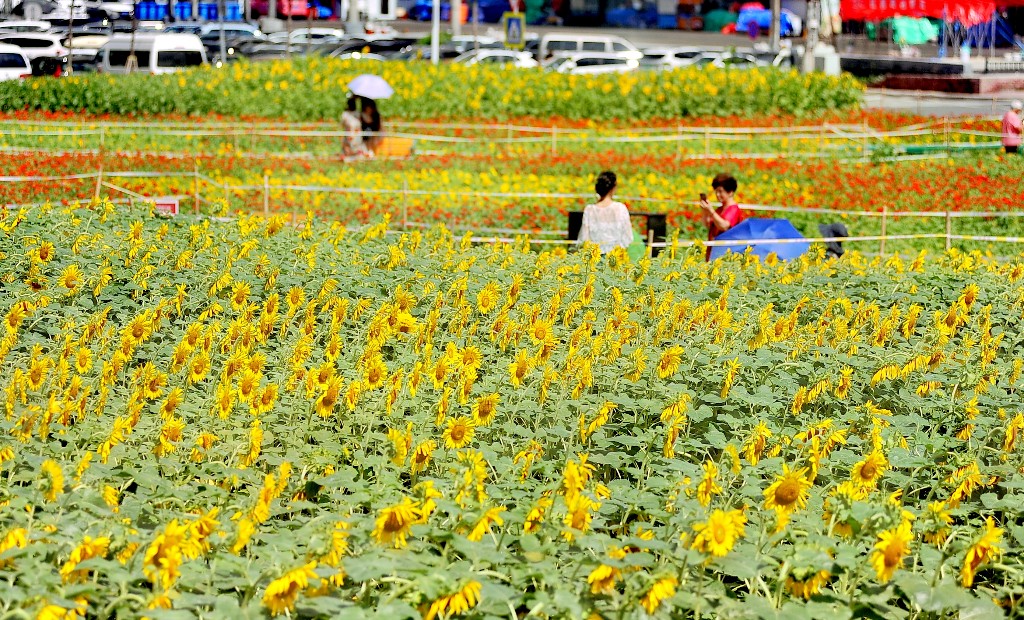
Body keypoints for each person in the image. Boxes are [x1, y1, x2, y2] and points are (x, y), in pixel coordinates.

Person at [577, 171, 634, 255]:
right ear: (613, 188)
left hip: (594, 258)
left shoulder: (590, 209)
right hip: (616, 258)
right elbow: (628, 237)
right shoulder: (620, 208)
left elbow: (584, 238)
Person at [701, 173, 745, 261]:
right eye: (716, 191)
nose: (717, 194)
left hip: (725, 253)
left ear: (730, 192)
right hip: (713, 252)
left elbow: (724, 226)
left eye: (720, 191)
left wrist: (711, 211)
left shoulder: (733, 209)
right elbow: (707, 224)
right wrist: (705, 211)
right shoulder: (719, 209)